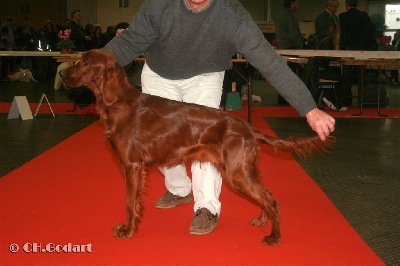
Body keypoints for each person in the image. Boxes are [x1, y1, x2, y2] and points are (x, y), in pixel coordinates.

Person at [103, 0, 335, 236]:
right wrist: (97, 60)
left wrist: (309, 108)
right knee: (157, 142)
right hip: (159, 73)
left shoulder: (231, 15)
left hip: (205, 75)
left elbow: (269, 61)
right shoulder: (159, 5)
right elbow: (129, 42)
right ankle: (178, 188)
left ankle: (206, 207)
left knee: (209, 142)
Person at [339, 0, 376, 106]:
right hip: (362, 52)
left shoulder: (343, 16)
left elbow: (343, 35)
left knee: (347, 76)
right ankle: (363, 99)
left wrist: (341, 50)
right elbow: (372, 30)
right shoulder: (364, 15)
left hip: (349, 51)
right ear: (357, 4)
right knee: (362, 76)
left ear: (346, 5)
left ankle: (348, 99)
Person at [275, 0, 303, 104]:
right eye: (297, 2)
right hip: (290, 49)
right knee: (291, 77)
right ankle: (289, 100)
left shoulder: (280, 14)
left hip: (281, 49)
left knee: (282, 76)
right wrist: (301, 49)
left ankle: (281, 99)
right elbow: (294, 35)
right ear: (292, 3)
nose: (298, 5)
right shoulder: (290, 16)